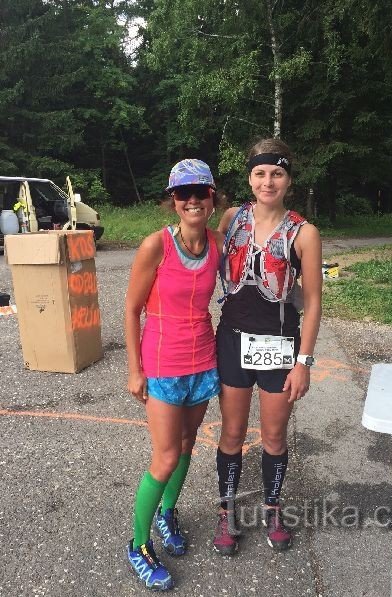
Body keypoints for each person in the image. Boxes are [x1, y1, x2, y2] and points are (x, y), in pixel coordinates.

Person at [213, 138, 322, 555]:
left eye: (276, 172)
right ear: (250, 177)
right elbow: (203, 257)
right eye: (260, 172)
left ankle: (272, 507)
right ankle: (226, 511)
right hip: (233, 340)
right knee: (232, 433)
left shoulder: (303, 232)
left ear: (288, 179)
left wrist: (304, 361)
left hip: (279, 346)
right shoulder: (231, 218)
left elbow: (312, 302)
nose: (268, 180)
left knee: (274, 436)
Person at [125, 159, 224, 590]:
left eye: (200, 191)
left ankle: (168, 513)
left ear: (212, 197)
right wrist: (134, 370)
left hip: (204, 361)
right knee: (164, 456)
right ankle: (137, 545)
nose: (192, 200)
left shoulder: (218, 242)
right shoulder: (155, 246)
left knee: (186, 445)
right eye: (183, 194)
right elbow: (130, 309)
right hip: (163, 364)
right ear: (173, 202)